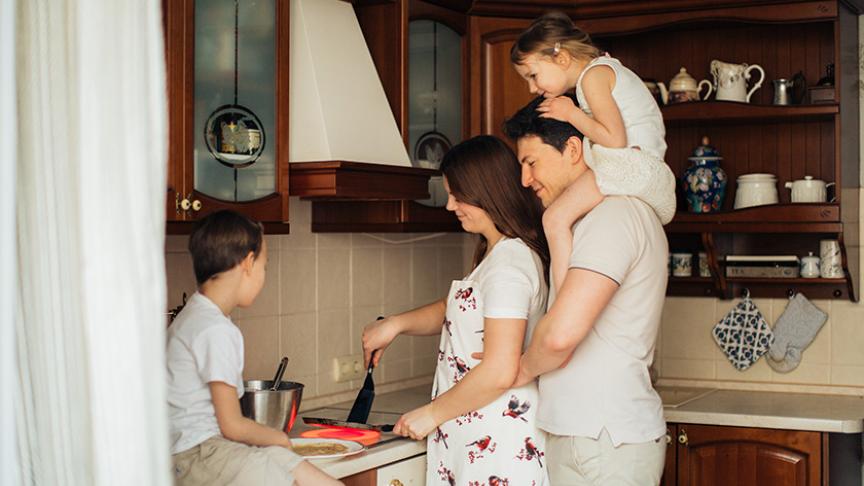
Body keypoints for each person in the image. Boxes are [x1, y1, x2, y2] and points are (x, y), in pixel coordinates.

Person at [362, 136, 551, 484]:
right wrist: (396, 324)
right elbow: (458, 308)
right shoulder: (497, 254)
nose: (451, 206)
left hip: (497, 442)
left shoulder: (509, 264)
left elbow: (498, 369)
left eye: (458, 195)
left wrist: (431, 414)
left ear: (488, 191)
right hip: (479, 432)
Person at [502, 95, 669, 484]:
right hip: (590, 434)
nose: (525, 180)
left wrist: (520, 368)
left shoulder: (615, 215)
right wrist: (556, 223)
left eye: (531, 162)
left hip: (606, 439)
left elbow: (561, 336)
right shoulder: (588, 218)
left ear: (573, 149)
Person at [166, 210, 341, 486]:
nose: (263, 275)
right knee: (273, 462)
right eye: (264, 266)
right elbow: (231, 425)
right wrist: (278, 437)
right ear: (248, 263)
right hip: (197, 456)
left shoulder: (194, 316)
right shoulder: (216, 329)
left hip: (197, 454)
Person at [511, 11, 675, 291]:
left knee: (554, 218)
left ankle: (560, 302)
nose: (531, 88)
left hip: (630, 165)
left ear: (561, 58)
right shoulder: (603, 69)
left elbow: (614, 139)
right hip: (643, 168)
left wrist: (571, 113)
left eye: (534, 75)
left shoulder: (593, 77)